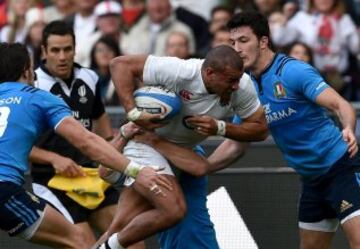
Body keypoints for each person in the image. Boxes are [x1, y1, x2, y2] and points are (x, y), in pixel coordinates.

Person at [0, 42, 171, 249]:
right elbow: (87, 141)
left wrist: (122, 135)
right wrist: (136, 170)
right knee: (79, 240)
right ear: (27, 71)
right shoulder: (38, 98)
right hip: (6, 187)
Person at [96, 45, 268, 249]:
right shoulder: (181, 71)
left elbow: (260, 130)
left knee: (125, 225)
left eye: (238, 79)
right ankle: (111, 245)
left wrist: (220, 128)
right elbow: (119, 65)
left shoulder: (243, 87)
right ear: (209, 73)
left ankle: (109, 244)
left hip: (175, 149)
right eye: (231, 80)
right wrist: (134, 114)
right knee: (172, 210)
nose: (236, 86)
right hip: (145, 144)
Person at [221, 11, 360, 249]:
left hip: (341, 168)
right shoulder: (246, 89)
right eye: (232, 43)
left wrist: (348, 127)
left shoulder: (292, 70)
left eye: (244, 41)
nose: (237, 49)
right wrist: (201, 167)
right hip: (311, 181)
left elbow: (341, 104)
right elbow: (237, 142)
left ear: (263, 41)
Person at [28, 20, 119, 248]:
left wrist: (113, 153)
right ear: (44, 52)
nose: (62, 57)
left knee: (129, 238)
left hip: (90, 176)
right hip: (52, 181)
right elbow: (14, 143)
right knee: (84, 244)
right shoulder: (32, 86)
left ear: (75, 49)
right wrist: (54, 158)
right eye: (55, 50)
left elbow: (102, 125)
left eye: (67, 49)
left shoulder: (90, 78)